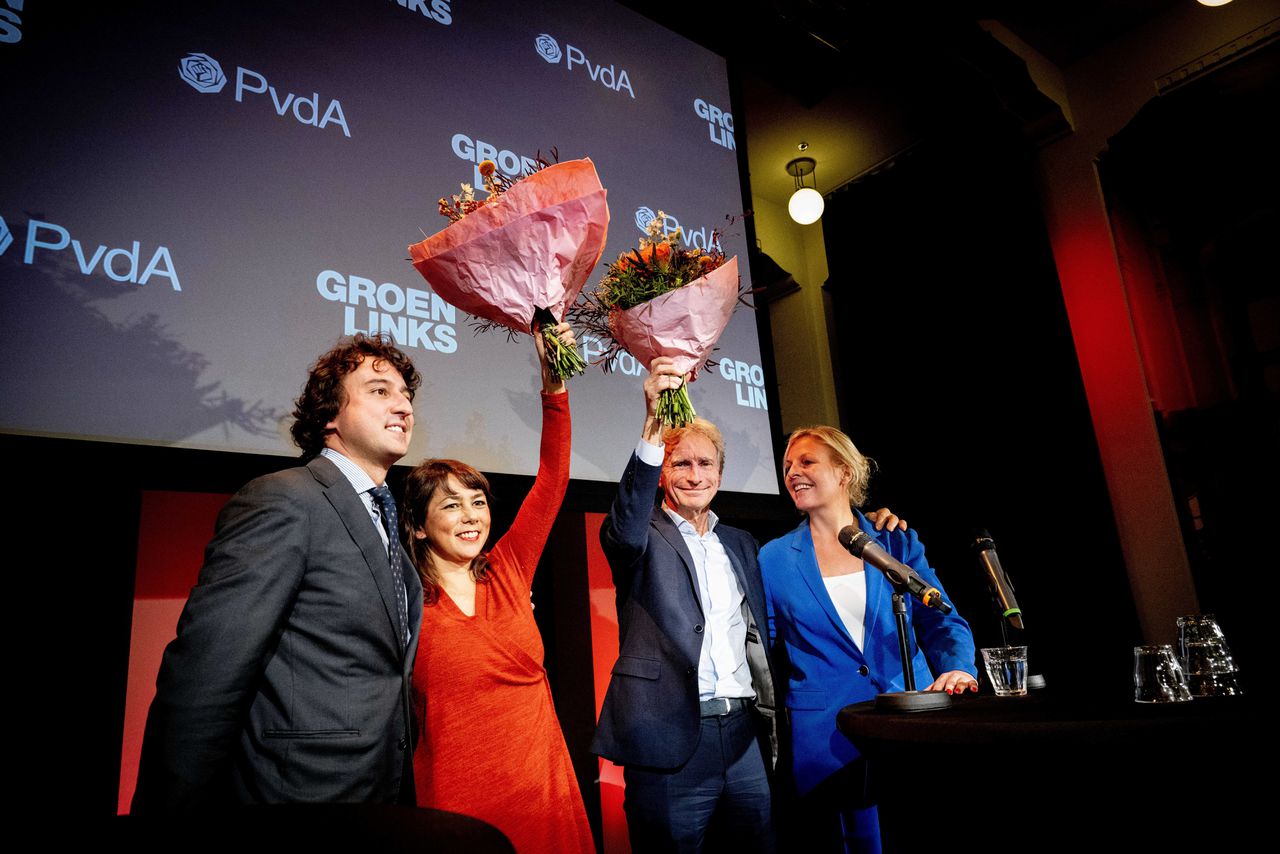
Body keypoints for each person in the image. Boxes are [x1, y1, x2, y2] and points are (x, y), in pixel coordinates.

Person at [133, 334, 423, 812]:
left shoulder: (385, 513)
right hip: (297, 793)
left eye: (406, 396)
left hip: (379, 792)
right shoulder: (285, 499)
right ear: (329, 416)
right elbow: (208, 670)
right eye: (379, 391)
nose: (403, 407)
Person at [401, 323, 592, 854]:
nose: (470, 517)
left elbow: (552, 479)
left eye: (478, 502)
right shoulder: (402, 595)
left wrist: (555, 388)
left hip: (539, 782)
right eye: (451, 504)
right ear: (417, 525)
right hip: (456, 797)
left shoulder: (508, 569)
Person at [759, 426, 978, 853]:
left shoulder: (894, 540)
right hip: (826, 737)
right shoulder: (774, 558)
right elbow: (763, 649)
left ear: (843, 472)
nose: (793, 473)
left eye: (806, 462)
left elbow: (941, 620)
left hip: (906, 726)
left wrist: (957, 667)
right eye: (787, 467)